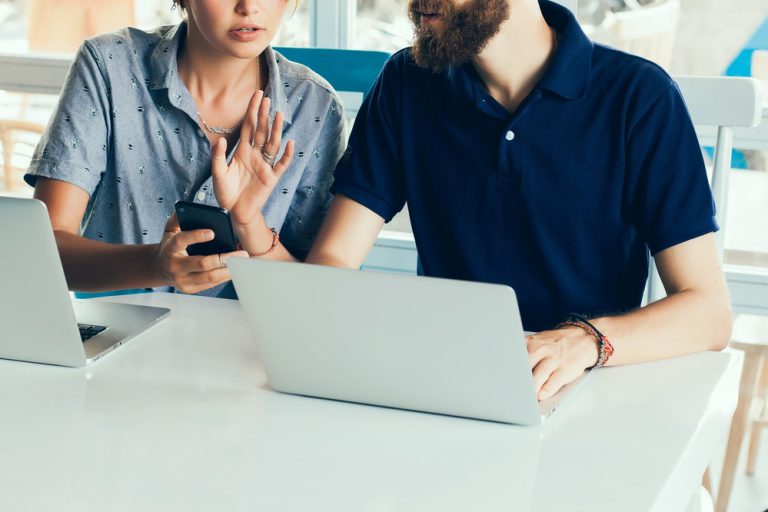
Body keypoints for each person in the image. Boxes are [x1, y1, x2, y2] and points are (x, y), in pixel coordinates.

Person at [238, 0, 733, 400]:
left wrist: (583, 342)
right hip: (444, 387)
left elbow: (708, 313)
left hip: (590, 389)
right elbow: (335, 262)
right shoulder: (406, 83)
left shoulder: (640, 98)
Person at [26, 0, 345, 297]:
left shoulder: (316, 106)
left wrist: (249, 224)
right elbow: (44, 249)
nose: (248, 7)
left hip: (247, 347)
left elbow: (314, 292)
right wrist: (155, 265)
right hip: (119, 339)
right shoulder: (108, 64)